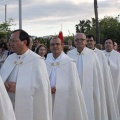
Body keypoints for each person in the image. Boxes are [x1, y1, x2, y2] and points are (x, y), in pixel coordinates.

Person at [0, 29, 52, 120]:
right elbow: (2, 78)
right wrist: (3, 84)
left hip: (28, 107)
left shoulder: (37, 60)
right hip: (8, 105)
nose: (10, 43)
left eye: (13, 41)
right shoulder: (10, 58)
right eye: (10, 41)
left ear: (24, 42)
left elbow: (41, 88)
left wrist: (18, 87)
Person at [67, 33, 108, 120]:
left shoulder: (92, 55)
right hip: (74, 91)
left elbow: (97, 76)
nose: (79, 41)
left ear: (85, 41)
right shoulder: (69, 55)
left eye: (81, 39)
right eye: (77, 40)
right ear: (74, 42)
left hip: (90, 91)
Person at [45, 37, 88, 120]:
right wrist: (47, 88)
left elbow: (73, 84)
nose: (55, 46)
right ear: (49, 47)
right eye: (52, 44)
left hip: (64, 99)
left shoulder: (69, 62)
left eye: (57, 44)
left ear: (62, 45)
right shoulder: (45, 62)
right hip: (48, 97)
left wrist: (59, 88)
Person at [86, 35, 119, 120]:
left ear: (94, 42)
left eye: (91, 41)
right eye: (88, 41)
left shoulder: (100, 54)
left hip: (103, 83)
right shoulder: (83, 53)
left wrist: (110, 65)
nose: (89, 43)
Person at [103, 38, 120, 116]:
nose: (108, 44)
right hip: (103, 82)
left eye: (110, 43)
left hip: (115, 81)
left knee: (114, 98)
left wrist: (110, 64)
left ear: (113, 45)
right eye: (106, 43)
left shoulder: (118, 55)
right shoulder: (100, 54)